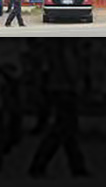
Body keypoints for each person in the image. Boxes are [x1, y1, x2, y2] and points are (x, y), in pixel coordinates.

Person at [29, 38, 90, 179]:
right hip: (64, 87)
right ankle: (39, 164)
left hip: (58, 86)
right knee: (64, 128)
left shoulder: (54, 42)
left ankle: (76, 165)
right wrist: (77, 81)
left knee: (67, 129)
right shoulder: (64, 42)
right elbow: (69, 62)